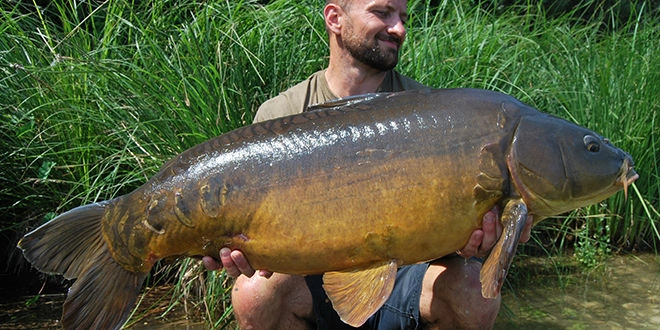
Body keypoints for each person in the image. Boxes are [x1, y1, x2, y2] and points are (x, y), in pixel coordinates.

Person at [203, 0, 533, 329]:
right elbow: (254, 248)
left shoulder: (430, 113)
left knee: (474, 292)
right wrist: (235, 251)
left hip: (405, 279)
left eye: (403, 17)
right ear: (335, 18)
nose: (399, 29)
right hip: (312, 282)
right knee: (254, 292)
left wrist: (474, 246)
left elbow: (451, 237)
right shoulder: (282, 114)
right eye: (382, 13)